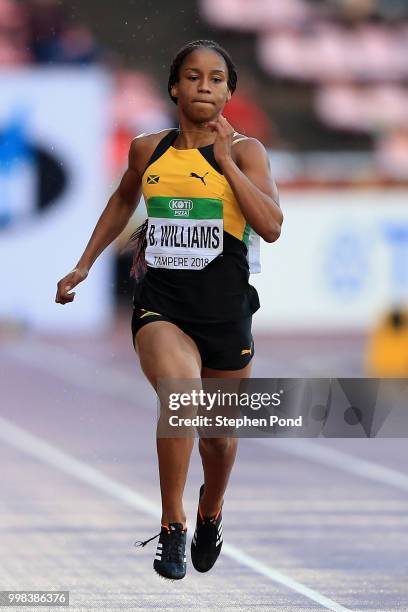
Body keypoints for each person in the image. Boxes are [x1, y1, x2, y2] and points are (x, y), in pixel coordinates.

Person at [55, 39, 283, 581]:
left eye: (216, 79)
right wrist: (86, 263)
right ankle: (173, 524)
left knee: (220, 439)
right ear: (174, 87)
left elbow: (271, 227)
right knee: (180, 399)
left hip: (226, 311)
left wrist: (226, 162)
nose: (204, 86)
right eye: (193, 77)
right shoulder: (148, 150)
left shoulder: (248, 151)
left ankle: (210, 512)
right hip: (163, 305)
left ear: (229, 91)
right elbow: (122, 199)